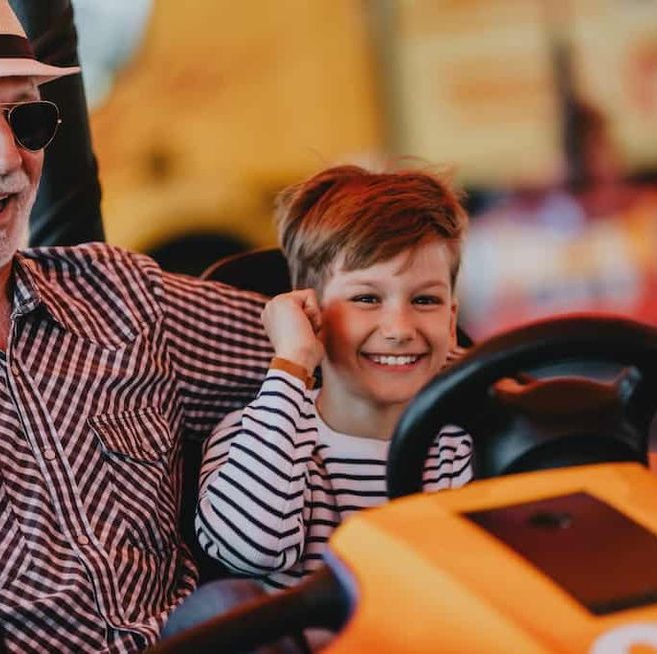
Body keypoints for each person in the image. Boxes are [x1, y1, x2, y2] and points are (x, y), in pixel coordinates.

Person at [0, 0, 273, 651]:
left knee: (235, 606)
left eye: (29, 119)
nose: (8, 157)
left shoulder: (123, 295)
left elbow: (345, 342)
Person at [194, 165, 474, 590]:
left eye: (424, 300)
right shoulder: (256, 433)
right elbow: (249, 549)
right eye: (366, 298)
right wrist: (291, 362)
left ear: (451, 321)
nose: (399, 328)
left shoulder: (457, 446)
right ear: (310, 313)